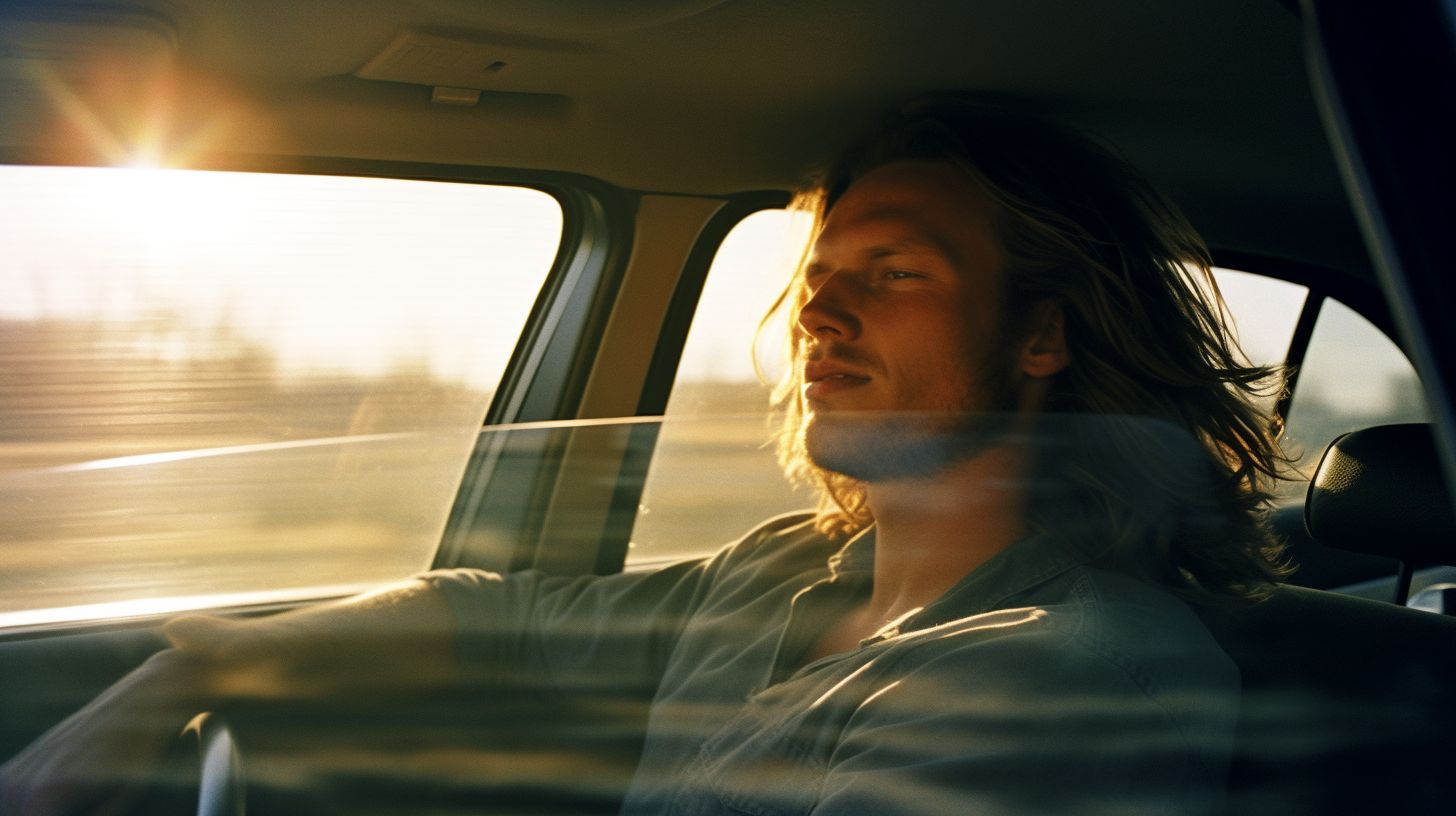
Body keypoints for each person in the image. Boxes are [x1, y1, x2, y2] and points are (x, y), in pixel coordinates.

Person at [0, 99, 1290, 815]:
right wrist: (175, 676)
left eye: (893, 276)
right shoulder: (781, 575)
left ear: (1042, 339)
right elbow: (492, 619)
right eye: (820, 277)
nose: (819, 318)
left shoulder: (1078, 665)